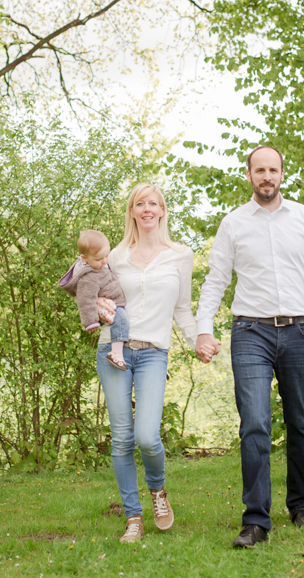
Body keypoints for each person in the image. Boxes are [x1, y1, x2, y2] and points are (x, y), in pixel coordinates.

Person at [195, 145, 304, 548]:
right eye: (259, 170)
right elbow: (215, 280)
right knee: (256, 424)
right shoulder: (233, 223)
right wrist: (203, 329)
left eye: (273, 170)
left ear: (282, 174)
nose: (267, 176)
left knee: (301, 422)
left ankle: (301, 507)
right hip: (250, 333)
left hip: (299, 332)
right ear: (249, 175)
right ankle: (256, 520)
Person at [96, 183, 198, 543]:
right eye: (140, 203)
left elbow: (182, 307)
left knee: (147, 437)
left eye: (153, 203)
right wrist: (96, 308)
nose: (147, 209)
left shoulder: (180, 255)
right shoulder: (115, 256)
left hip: (154, 352)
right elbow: (91, 290)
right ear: (132, 211)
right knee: (122, 439)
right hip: (113, 350)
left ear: (163, 210)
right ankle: (133, 517)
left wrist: (197, 338)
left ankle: (157, 491)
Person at [59, 229, 130, 370]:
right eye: (99, 259)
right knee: (121, 320)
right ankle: (116, 354)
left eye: (106, 256)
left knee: (122, 320)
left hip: (115, 302)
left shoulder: (100, 266)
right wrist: (90, 322)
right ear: (84, 258)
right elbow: (86, 301)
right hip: (111, 306)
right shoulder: (87, 278)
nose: (104, 261)